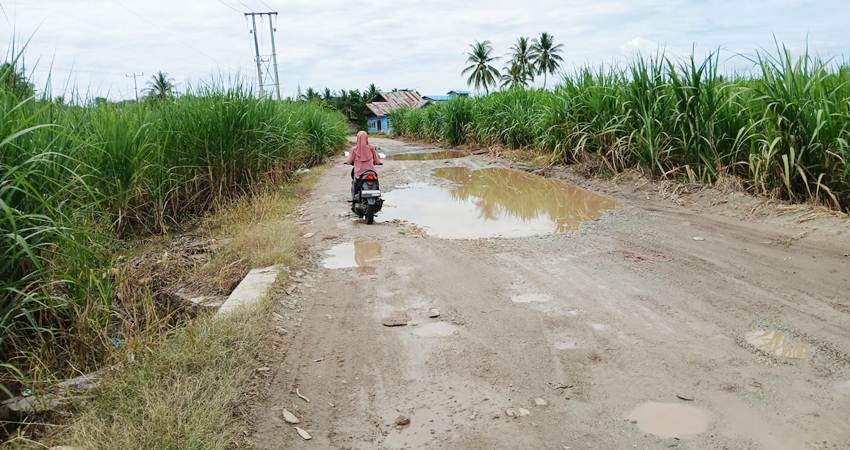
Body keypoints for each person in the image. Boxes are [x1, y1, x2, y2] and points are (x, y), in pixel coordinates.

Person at [345, 131, 381, 197]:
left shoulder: (354, 149)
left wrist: (348, 162)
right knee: (376, 180)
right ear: (367, 138)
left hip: (359, 172)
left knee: (355, 182)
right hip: (371, 171)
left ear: (358, 138)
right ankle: (377, 192)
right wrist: (378, 162)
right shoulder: (371, 148)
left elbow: (350, 160)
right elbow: (376, 159)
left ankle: (355, 195)